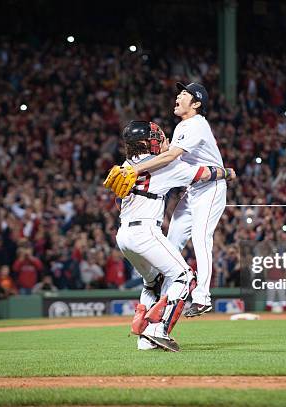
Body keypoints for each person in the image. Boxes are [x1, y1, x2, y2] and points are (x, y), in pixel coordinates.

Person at [107, 120, 235, 351]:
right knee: (185, 276)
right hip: (145, 231)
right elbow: (203, 173)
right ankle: (158, 329)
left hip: (124, 234)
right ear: (146, 143)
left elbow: (118, 201)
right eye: (156, 137)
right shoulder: (165, 166)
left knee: (153, 282)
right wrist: (227, 172)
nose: (161, 140)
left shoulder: (125, 165)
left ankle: (144, 336)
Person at [119, 83, 227, 317]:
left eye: (185, 94)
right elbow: (169, 161)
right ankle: (163, 297)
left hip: (211, 186)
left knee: (201, 237)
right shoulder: (181, 127)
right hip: (194, 187)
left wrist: (135, 169)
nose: (178, 95)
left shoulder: (196, 124)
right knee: (172, 242)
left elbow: (170, 156)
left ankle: (202, 296)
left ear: (196, 104)